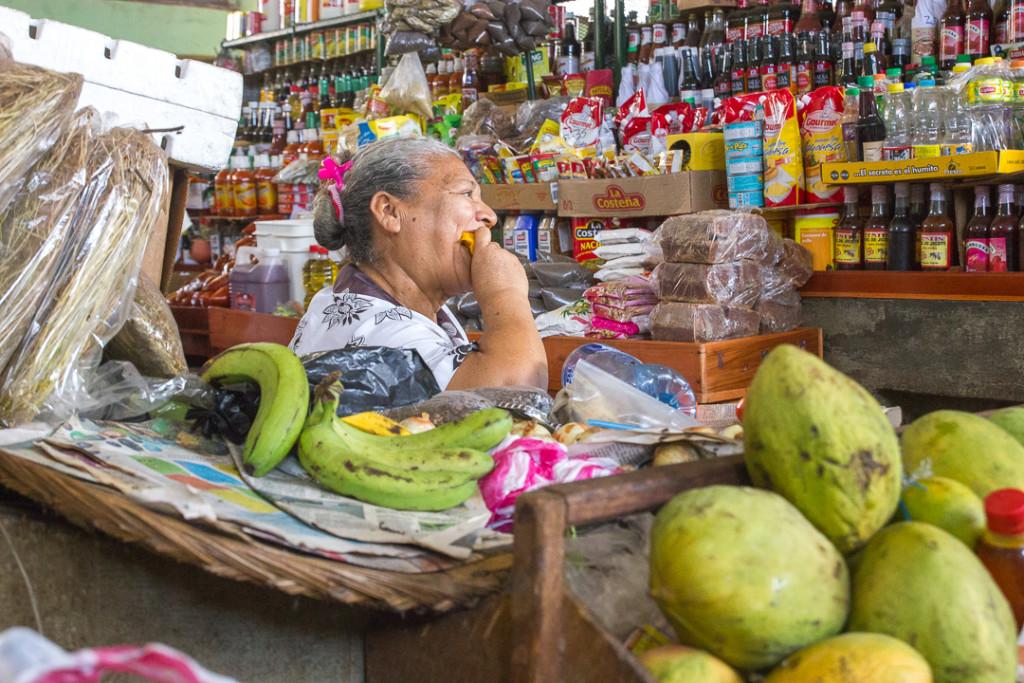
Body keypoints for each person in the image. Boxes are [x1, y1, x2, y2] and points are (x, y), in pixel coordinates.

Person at [289, 137, 548, 391]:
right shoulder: (382, 334)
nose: (490, 216)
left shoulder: (351, 303)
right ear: (389, 212)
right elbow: (519, 396)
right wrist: (504, 293)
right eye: (467, 193)